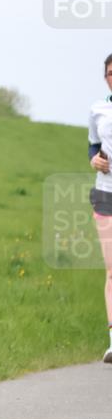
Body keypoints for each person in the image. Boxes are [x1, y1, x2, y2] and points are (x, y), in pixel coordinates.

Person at [88, 52, 112, 362]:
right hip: (106, 194)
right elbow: (93, 145)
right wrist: (94, 160)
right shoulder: (97, 109)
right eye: (109, 72)